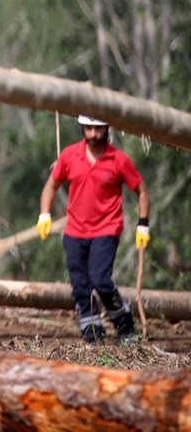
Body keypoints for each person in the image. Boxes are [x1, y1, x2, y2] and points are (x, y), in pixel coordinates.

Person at [37, 115, 150, 343]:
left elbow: (142, 192)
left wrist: (143, 225)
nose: (92, 134)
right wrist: (44, 214)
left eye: (97, 129)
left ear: (107, 128)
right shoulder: (70, 155)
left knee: (100, 279)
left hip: (106, 229)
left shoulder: (118, 159)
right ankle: (92, 332)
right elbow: (51, 185)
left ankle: (124, 324)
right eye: (88, 128)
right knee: (80, 285)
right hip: (74, 231)